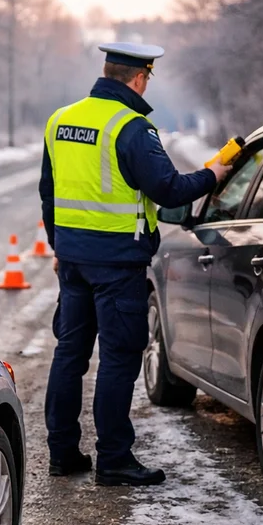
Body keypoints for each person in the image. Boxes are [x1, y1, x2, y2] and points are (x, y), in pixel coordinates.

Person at [39, 42, 231, 486]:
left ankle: (62, 453)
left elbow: (47, 192)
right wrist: (213, 175)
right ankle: (114, 460)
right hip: (118, 264)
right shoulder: (132, 128)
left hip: (72, 261)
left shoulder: (60, 120)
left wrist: (58, 245)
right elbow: (169, 190)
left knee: (69, 354)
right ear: (139, 78)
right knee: (120, 358)